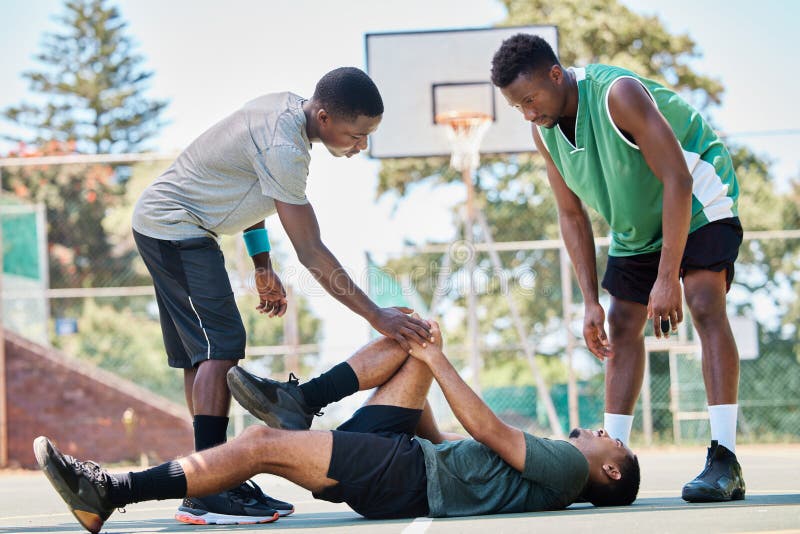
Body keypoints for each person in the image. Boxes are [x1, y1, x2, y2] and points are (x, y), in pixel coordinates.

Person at [129, 66, 432, 523]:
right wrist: (378, 316)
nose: (361, 145)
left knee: (202, 355)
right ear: (326, 117)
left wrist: (262, 265)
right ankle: (210, 485)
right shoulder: (286, 147)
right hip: (177, 228)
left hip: (169, 225)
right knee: (221, 349)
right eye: (356, 135)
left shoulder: (285, 114)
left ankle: (210, 477)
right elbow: (312, 251)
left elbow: (249, 191)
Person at [35, 320, 639, 533]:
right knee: (409, 336)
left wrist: (439, 363)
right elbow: (462, 445)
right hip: (410, 457)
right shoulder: (547, 478)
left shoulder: (566, 471)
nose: (597, 430)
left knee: (260, 445)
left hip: (405, 477)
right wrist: (421, 369)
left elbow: (486, 430)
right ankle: (301, 400)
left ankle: (112, 493)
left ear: (608, 470)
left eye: (610, 439)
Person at [490, 34, 745, 502]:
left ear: (555, 74)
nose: (527, 112)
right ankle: (604, 462)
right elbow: (571, 214)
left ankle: (724, 457)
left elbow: (678, 178)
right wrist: (589, 301)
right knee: (621, 323)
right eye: (516, 106)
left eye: (530, 100)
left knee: (705, 301)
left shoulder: (617, 94)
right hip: (635, 223)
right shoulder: (543, 130)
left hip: (698, 198)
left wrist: (668, 278)